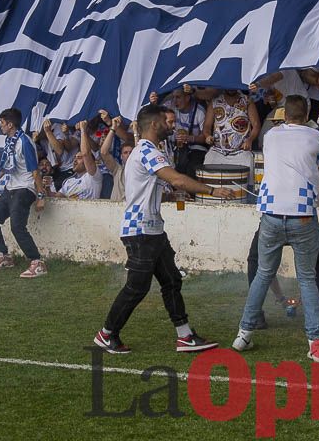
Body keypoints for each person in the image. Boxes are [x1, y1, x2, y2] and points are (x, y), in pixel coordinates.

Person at [94, 104, 238, 355]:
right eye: (167, 122)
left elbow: (158, 189)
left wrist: (173, 196)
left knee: (171, 280)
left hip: (152, 230)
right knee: (137, 287)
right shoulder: (149, 152)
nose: (172, 126)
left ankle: (185, 336)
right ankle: (107, 334)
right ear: (154, 124)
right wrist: (212, 190)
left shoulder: (148, 152)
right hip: (140, 230)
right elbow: (177, 179)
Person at [231, 95, 319, 362]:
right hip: (302, 215)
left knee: (264, 274)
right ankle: (316, 342)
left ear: (284, 114)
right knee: (307, 278)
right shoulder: (316, 137)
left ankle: (243, 334)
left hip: (271, 213)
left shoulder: (271, 136)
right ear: (308, 114)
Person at [0, 108, 48, 279]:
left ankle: (37, 262)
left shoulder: (24, 142)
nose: (0, 126)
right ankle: (4, 256)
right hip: (11, 188)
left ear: (10, 124)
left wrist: (41, 197)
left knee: (17, 226)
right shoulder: (10, 141)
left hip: (25, 188)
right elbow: (6, 163)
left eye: (2, 123)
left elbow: (35, 171)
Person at [203, 89, 260, 170]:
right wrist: (207, 136)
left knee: (248, 167)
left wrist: (250, 140)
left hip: (241, 152)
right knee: (208, 163)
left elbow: (256, 125)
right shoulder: (215, 101)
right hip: (217, 151)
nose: (231, 88)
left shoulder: (247, 101)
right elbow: (207, 126)